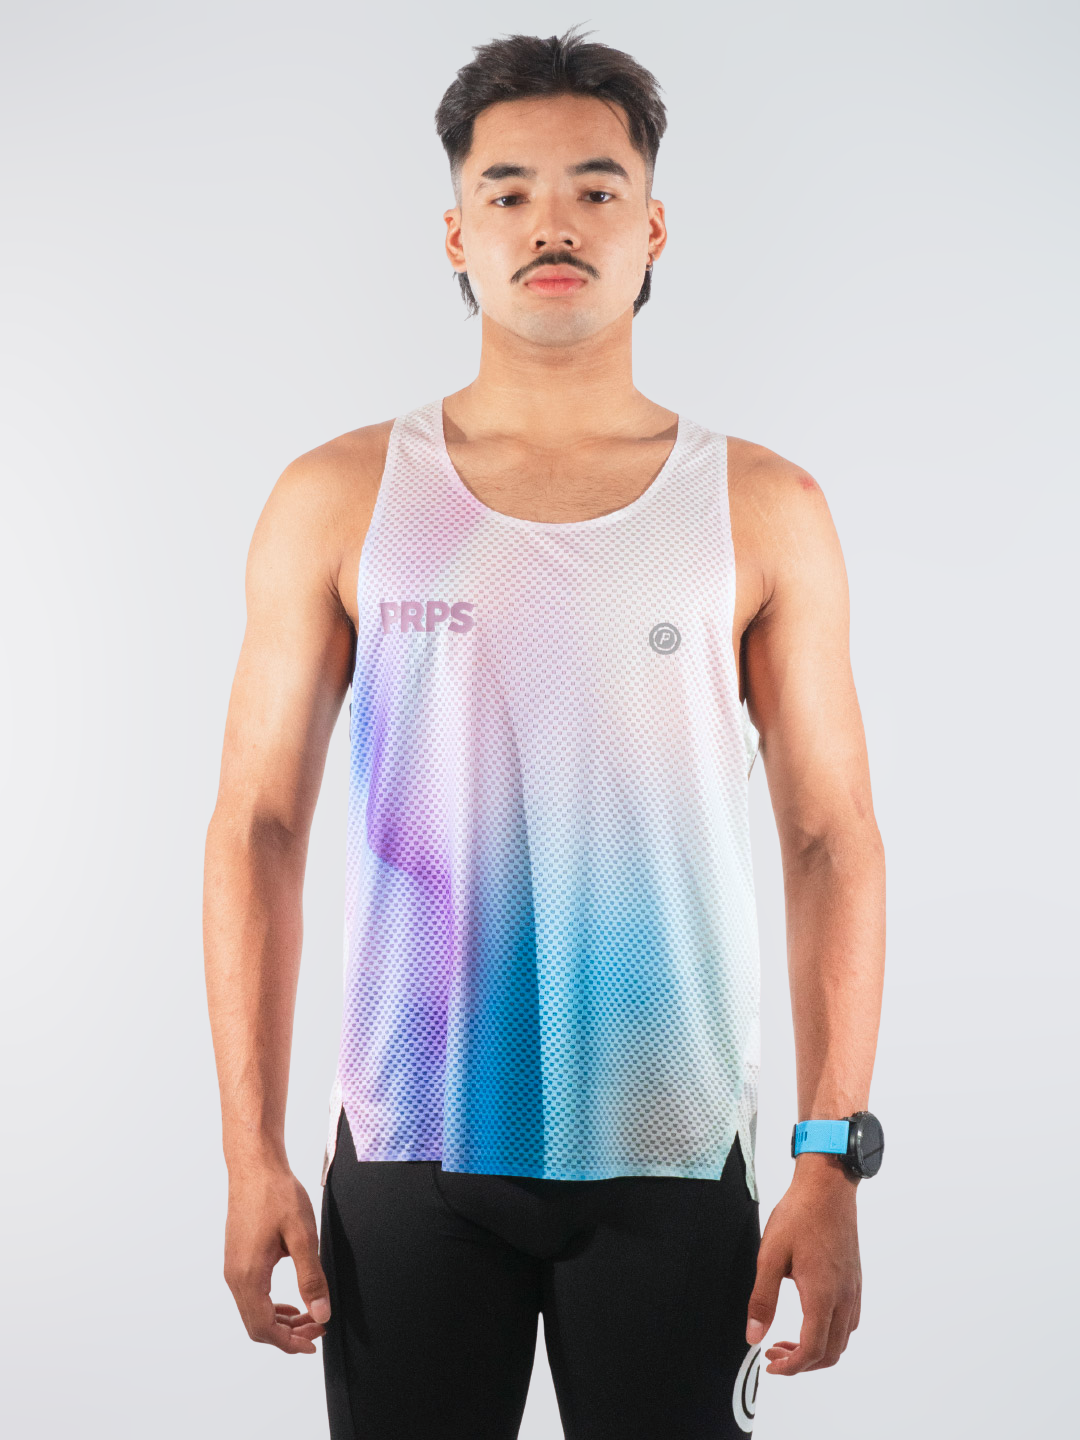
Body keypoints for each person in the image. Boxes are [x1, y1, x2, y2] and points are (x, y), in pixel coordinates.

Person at [203, 24, 886, 1440]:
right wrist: (247, 1149)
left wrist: (829, 1156)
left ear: (653, 227)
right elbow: (257, 827)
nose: (551, 222)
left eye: (594, 186)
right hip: (410, 1148)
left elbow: (831, 839)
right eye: (507, 190)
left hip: (670, 1150)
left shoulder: (762, 507)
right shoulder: (339, 497)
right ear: (457, 232)